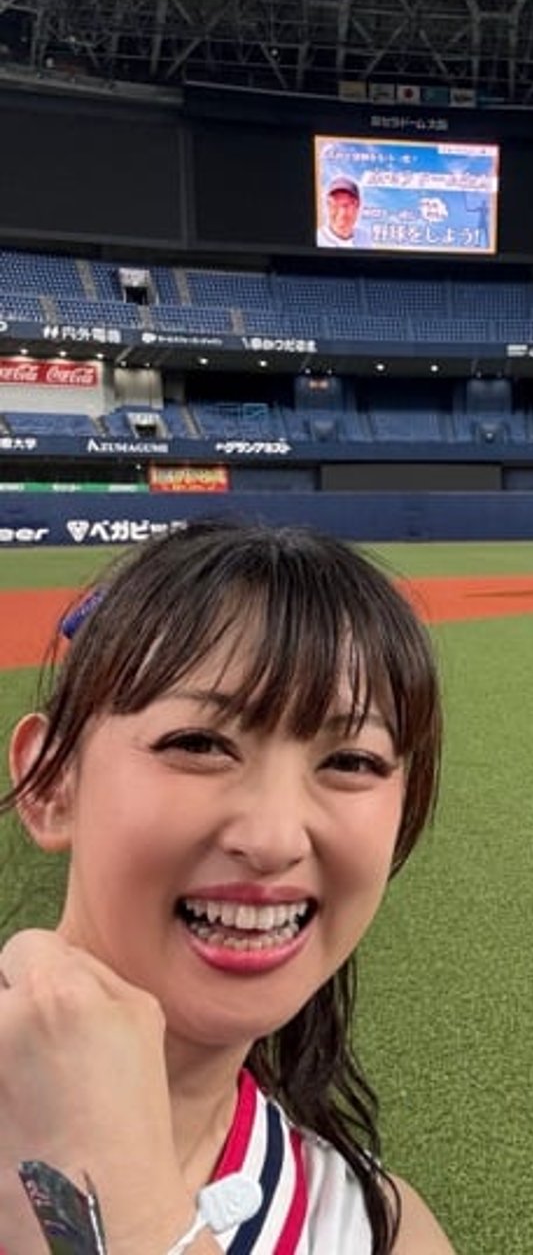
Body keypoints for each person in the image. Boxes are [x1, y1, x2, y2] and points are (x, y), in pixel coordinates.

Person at [0, 522, 454, 1254]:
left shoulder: (378, 1229)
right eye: (199, 744)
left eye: (351, 761)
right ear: (50, 782)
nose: (274, 839)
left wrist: (129, 1201)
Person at [317, 175, 368, 248]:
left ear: (358, 207)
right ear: (328, 205)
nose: (342, 213)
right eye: (335, 205)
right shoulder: (318, 239)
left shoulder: (364, 238)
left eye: (347, 205)